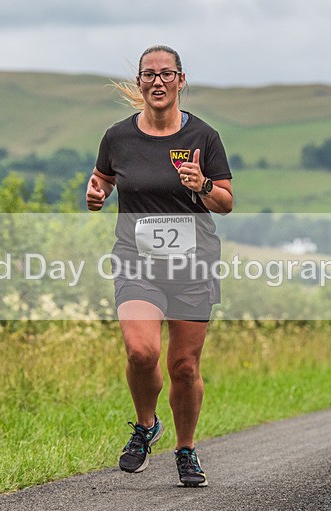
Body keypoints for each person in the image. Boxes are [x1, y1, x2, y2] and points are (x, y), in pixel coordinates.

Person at [86, 45, 233, 487]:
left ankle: (186, 450)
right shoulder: (118, 137)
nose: (157, 81)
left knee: (184, 366)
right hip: (137, 263)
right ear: (139, 83)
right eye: (148, 74)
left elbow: (225, 203)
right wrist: (96, 196)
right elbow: (102, 182)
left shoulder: (203, 138)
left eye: (166, 74)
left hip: (193, 266)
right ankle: (147, 426)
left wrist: (203, 184)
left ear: (181, 81)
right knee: (141, 351)